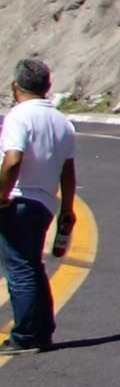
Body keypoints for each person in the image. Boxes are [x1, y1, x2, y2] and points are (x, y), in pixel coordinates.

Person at [0, 58, 79, 353]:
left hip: (18, 199)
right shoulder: (62, 122)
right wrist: (67, 210)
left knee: (19, 270)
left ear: (15, 86)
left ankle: (24, 336)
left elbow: (13, 159)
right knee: (33, 266)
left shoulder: (19, 116)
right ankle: (43, 330)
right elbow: (68, 171)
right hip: (45, 202)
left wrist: (1, 195)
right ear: (47, 87)